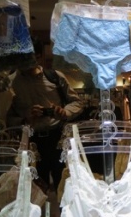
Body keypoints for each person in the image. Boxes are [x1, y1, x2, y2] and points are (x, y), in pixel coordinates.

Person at [6, 40, 85, 193]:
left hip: (57, 138)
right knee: (33, 191)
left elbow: (77, 102)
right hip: (30, 142)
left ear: (39, 56)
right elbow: (7, 118)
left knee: (65, 187)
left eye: (30, 57)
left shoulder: (54, 77)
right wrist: (26, 119)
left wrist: (64, 112)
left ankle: (63, 208)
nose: (25, 63)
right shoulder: (12, 83)